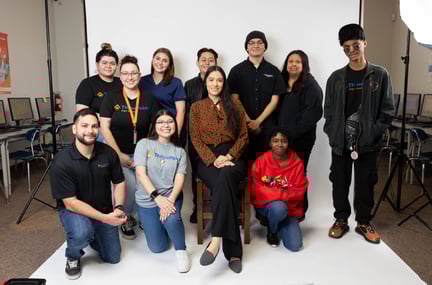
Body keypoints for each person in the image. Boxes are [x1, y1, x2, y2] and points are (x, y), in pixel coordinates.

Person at [324, 24, 394, 244]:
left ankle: (363, 222)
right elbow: (328, 112)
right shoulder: (335, 78)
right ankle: (341, 219)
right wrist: (332, 132)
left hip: (367, 143)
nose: (352, 50)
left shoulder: (380, 75)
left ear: (364, 43)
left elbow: (387, 110)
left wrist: (374, 133)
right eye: (346, 47)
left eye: (356, 45)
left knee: (365, 183)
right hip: (340, 143)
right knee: (339, 182)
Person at [50, 108, 126, 280]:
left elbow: (119, 182)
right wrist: (106, 219)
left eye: (94, 126)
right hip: (73, 211)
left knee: (112, 258)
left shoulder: (108, 152)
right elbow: (70, 203)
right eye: (84, 126)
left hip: (104, 208)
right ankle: (73, 254)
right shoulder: (62, 161)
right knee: (81, 232)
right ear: (75, 129)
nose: (90, 130)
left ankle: (91, 234)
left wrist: (119, 207)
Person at [189, 65, 248, 273]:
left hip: (234, 156)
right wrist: (214, 160)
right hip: (207, 159)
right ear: (205, 83)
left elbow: (244, 136)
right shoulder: (196, 107)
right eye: (211, 79)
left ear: (224, 83)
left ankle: (215, 240)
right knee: (225, 183)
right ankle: (233, 253)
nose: (215, 84)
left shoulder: (234, 105)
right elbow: (195, 139)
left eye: (219, 80)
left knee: (226, 177)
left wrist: (229, 156)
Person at [100, 55, 160, 240]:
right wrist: (119, 155)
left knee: (145, 185)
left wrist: (143, 156)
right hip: (117, 151)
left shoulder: (149, 99)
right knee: (128, 185)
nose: (129, 77)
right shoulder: (111, 98)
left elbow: (155, 130)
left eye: (133, 73)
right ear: (120, 76)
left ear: (140, 75)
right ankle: (124, 218)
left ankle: (143, 217)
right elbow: (104, 128)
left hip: (143, 153)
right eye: (125, 73)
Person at [134, 109, 190, 273]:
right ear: (154, 125)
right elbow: (140, 173)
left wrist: (170, 200)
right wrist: (157, 198)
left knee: (172, 220)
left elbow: (179, 179)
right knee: (158, 248)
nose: (166, 125)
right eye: (161, 122)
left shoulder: (179, 151)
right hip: (148, 199)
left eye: (170, 122)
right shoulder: (144, 144)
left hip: (170, 196)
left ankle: (181, 250)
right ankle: (154, 225)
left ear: (175, 125)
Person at [228, 30, 286, 161]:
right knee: (243, 167)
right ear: (246, 47)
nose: (256, 45)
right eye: (251, 43)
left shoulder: (274, 71)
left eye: (260, 42)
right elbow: (234, 99)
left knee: (266, 166)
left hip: (267, 128)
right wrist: (249, 122)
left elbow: (275, 100)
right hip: (242, 127)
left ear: (265, 46)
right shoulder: (236, 71)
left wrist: (258, 121)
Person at [278, 50, 323, 217]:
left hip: (301, 139)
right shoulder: (282, 81)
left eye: (298, 62)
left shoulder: (310, 85)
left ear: (304, 65)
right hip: (281, 140)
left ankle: (299, 212)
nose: (294, 64)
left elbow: (313, 114)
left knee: (297, 174)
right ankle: (282, 211)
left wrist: (291, 135)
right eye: (291, 61)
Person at [249, 127, 306, 250]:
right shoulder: (260, 162)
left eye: (283, 141)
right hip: (267, 207)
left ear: (288, 143)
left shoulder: (297, 164)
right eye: (275, 140)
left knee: (295, 246)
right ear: (270, 143)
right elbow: (256, 190)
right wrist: (282, 194)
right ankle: (272, 230)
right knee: (279, 207)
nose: (279, 144)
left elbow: (300, 191)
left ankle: (279, 222)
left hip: (290, 208)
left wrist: (276, 194)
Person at [184, 47, 218, 224]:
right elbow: (187, 111)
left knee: (218, 169)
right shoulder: (189, 84)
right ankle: (198, 206)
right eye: (203, 59)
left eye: (210, 60)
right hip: (195, 136)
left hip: (218, 138)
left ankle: (217, 205)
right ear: (197, 62)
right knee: (196, 171)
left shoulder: (220, 82)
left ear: (216, 63)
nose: (206, 62)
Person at [139, 48, 187, 146]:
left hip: (169, 128)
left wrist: (174, 135)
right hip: (149, 130)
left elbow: (181, 111)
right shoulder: (142, 81)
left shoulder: (176, 83)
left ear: (169, 65)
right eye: (158, 59)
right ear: (152, 60)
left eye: (165, 61)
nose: (160, 63)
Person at [75, 43, 121, 113]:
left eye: (112, 63)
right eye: (104, 63)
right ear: (97, 65)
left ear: (117, 66)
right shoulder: (87, 84)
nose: (108, 66)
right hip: (98, 123)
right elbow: (82, 112)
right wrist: (106, 119)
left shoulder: (122, 82)